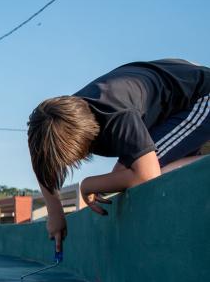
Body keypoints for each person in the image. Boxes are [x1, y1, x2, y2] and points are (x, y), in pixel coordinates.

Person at [28, 59, 210, 252]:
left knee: (149, 174)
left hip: (202, 97)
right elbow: (42, 162)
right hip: (167, 96)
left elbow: (147, 175)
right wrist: (55, 213)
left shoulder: (116, 115)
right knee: (122, 177)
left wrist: (89, 184)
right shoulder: (45, 124)